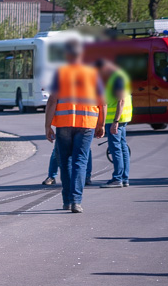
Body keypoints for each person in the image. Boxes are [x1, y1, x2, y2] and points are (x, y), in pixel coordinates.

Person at [44, 40, 106, 213]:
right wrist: (101, 124)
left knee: (65, 162)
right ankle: (76, 201)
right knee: (80, 162)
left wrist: (47, 126)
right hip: (87, 124)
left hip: (64, 124)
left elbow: (52, 101)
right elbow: (103, 103)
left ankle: (67, 200)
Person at [97, 59, 132, 188]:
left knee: (116, 148)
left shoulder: (116, 78)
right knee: (122, 148)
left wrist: (115, 121)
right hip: (121, 118)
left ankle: (118, 178)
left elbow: (121, 100)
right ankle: (124, 178)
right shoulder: (121, 76)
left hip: (115, 119)